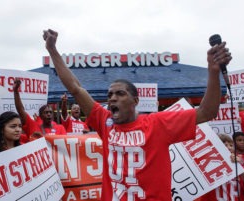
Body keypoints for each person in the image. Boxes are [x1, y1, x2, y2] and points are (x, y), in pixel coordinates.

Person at [43, 28, 232, 200]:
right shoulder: (104, 120)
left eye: (120, 93)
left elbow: (207, 112)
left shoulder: (158, 123)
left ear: (135, 101)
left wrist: (213, 72)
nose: (112, 98)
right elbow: (76, 88)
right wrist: (52, 50)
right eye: (110, 95)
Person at [197, 134, 244, 200]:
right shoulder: (207, 164)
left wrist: (240, 166)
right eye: (225, 145)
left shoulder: (237, 163)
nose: (229, 148)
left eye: (231, 145)